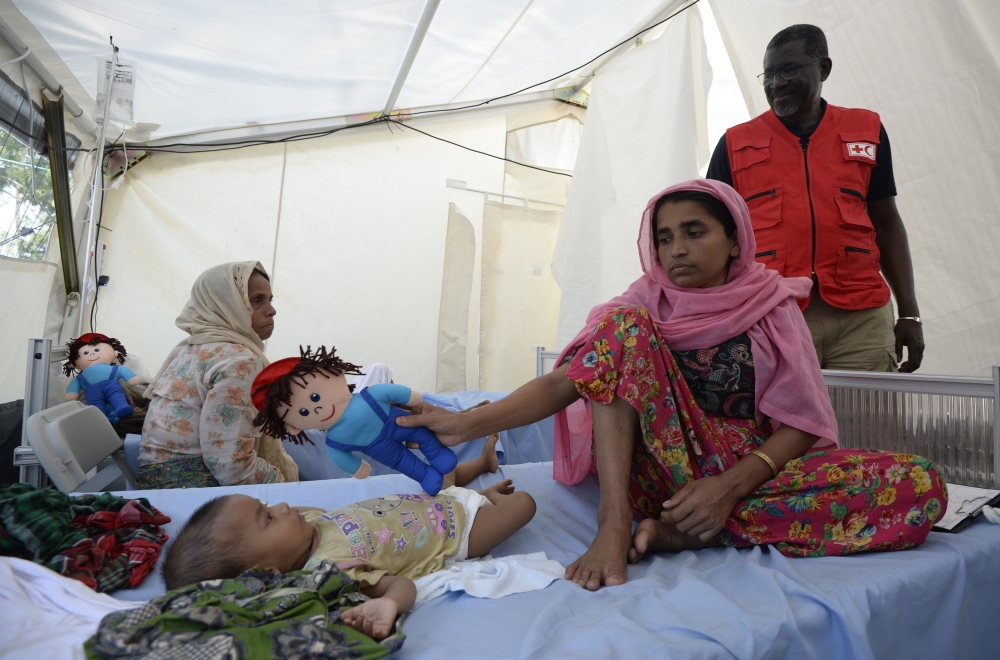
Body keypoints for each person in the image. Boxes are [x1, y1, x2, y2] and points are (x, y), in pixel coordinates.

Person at [396, 179, 947, 591]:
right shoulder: (639, 307)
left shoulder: (773, 305)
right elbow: (567, 382)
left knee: (921, 486)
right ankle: (615, 524)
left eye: (694, 232)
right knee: (620, 329)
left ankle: (683, 532)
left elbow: (802, 422)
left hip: (748, 476)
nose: (675, 249)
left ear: (735, 242)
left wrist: (726, 487)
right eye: (663, 237)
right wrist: (465, 423)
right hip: (655, 473)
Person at [705, 24, 924, 373]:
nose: (776, 83)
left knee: (868, 424)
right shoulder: (734, 143)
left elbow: (887, 221)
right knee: (778, 425)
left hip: (862, 318)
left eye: (789, 70)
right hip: (773, 313)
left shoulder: (865, 129)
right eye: (769, 74)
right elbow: (710, 235)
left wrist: (910, 312)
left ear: (823, 68)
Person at [161, 439, 534, 640]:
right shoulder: (331, 572)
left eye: (267, 504)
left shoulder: (303, 525)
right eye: (269, 517)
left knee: (443, 477)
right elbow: (399, 584)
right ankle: (496, 498)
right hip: (458, 534)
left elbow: (298, 515)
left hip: (432, 504)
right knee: (526, 505)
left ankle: (483, 471)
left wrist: (279, 520)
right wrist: (390, 605)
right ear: (270, 570)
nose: (285, 506)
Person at [137, 261, 297, 488]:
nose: (271, 310)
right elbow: (232, 469)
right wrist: (289, 486)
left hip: (154, 480)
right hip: (190, 489)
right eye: (256, 301)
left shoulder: (190, 349)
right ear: (226, 305)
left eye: (269, 300)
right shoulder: (239, 361)